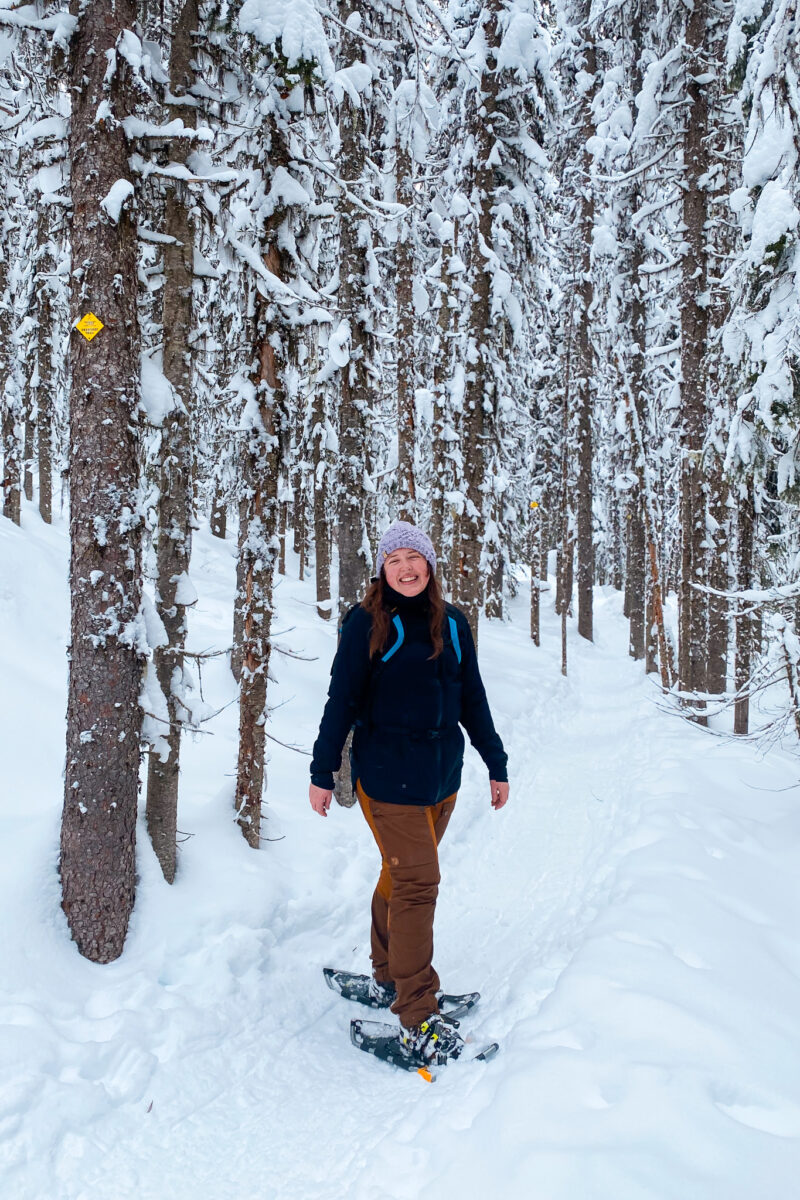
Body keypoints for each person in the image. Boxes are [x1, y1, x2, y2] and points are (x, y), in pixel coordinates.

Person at [309, 520, 509, 1062]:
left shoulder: (454, 624)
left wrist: (496, 761)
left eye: (412, 557)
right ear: (382, 569)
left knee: (400, 876)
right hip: (387, 778)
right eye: (393, 559)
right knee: (420, 884)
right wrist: (322, 770)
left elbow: (473, 699)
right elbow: (341, 702)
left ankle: (388, 976)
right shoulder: (365, 624)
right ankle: (417, 1016)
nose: (404, 568)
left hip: (441, 780)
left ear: (430, 565)